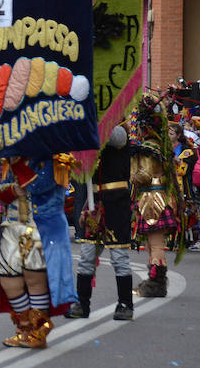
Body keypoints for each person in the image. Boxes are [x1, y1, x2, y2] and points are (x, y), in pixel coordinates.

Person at [0, 156, 77, 349]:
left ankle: (37, 330)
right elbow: (0, 190)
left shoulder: (56, 159)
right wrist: (11, 189)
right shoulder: (14, 159)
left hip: (40, 228)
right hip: (12, 226)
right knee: (8, 280)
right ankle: (24, 327)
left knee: (34, 279)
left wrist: (17, 166)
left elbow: (39, 186)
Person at [67, 125, 135, 321]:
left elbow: (114, 137)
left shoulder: (120, 130)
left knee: (118, 256)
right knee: (86, 256)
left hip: (116, 203)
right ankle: (82, 303)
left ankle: (125, 304)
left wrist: (92, 120)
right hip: (95, 200)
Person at [130, 95, 180, 296]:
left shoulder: (150, 147)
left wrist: (131, 169)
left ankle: (156, 284)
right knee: (153, 244)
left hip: (153, 200)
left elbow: (144, 176)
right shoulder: (159, 145)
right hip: (156, 197)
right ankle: (153, 281)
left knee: (156, 244)